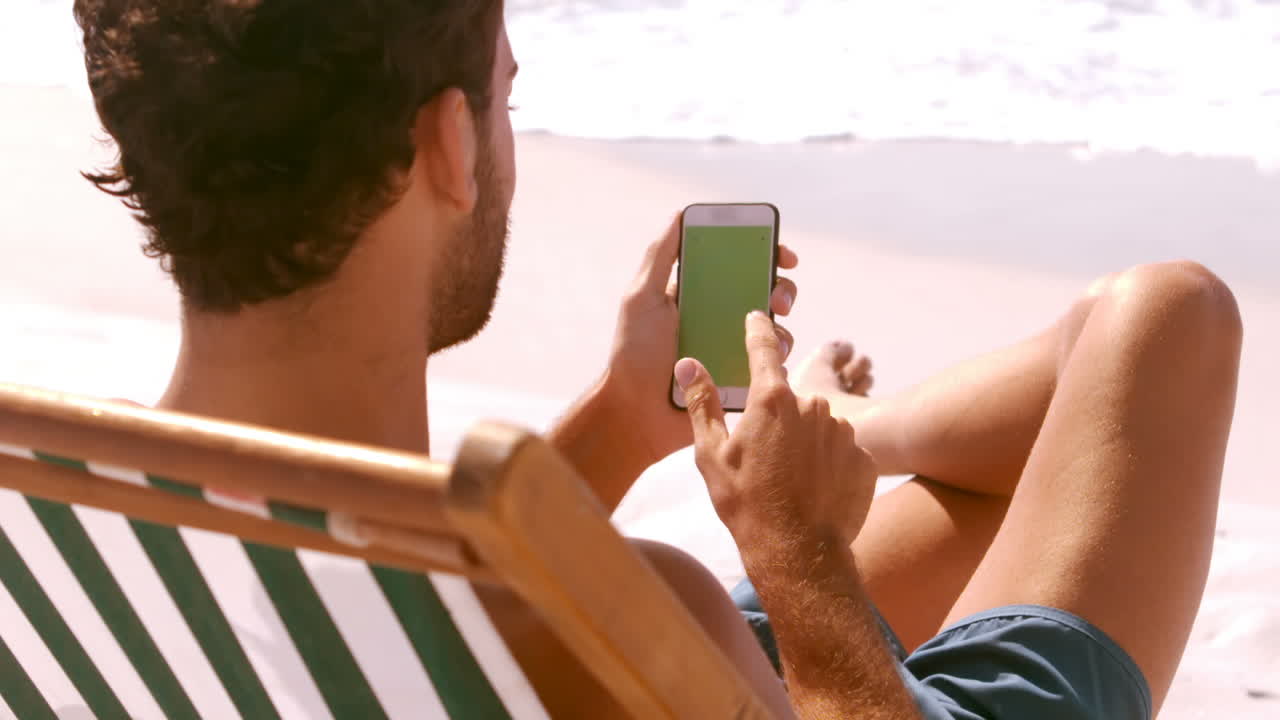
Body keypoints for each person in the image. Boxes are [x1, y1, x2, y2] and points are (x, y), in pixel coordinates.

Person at [72, 0, 1241, 718]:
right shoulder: (649, 613)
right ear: (446, 145)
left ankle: (838, 434)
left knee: (1009, 477)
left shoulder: (82, 511)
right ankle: (837, 437)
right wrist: (797, 554)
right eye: (503, 96)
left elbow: (436, 595)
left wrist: (625, 428)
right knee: (1166, 316)